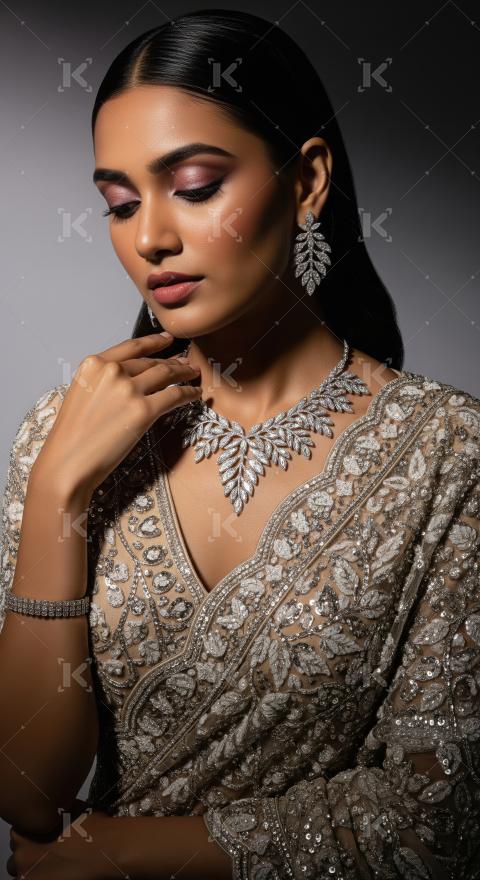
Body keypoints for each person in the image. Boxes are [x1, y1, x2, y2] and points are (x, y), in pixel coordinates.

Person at [1, 9, 479, 880]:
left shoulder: (450, 454)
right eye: (117, 202)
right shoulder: (62, 436)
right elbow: (29, 794)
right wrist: (55, 496)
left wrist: (131, 856)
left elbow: (439, 817)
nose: (149, 237)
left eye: (192, 185)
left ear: (306, 183)